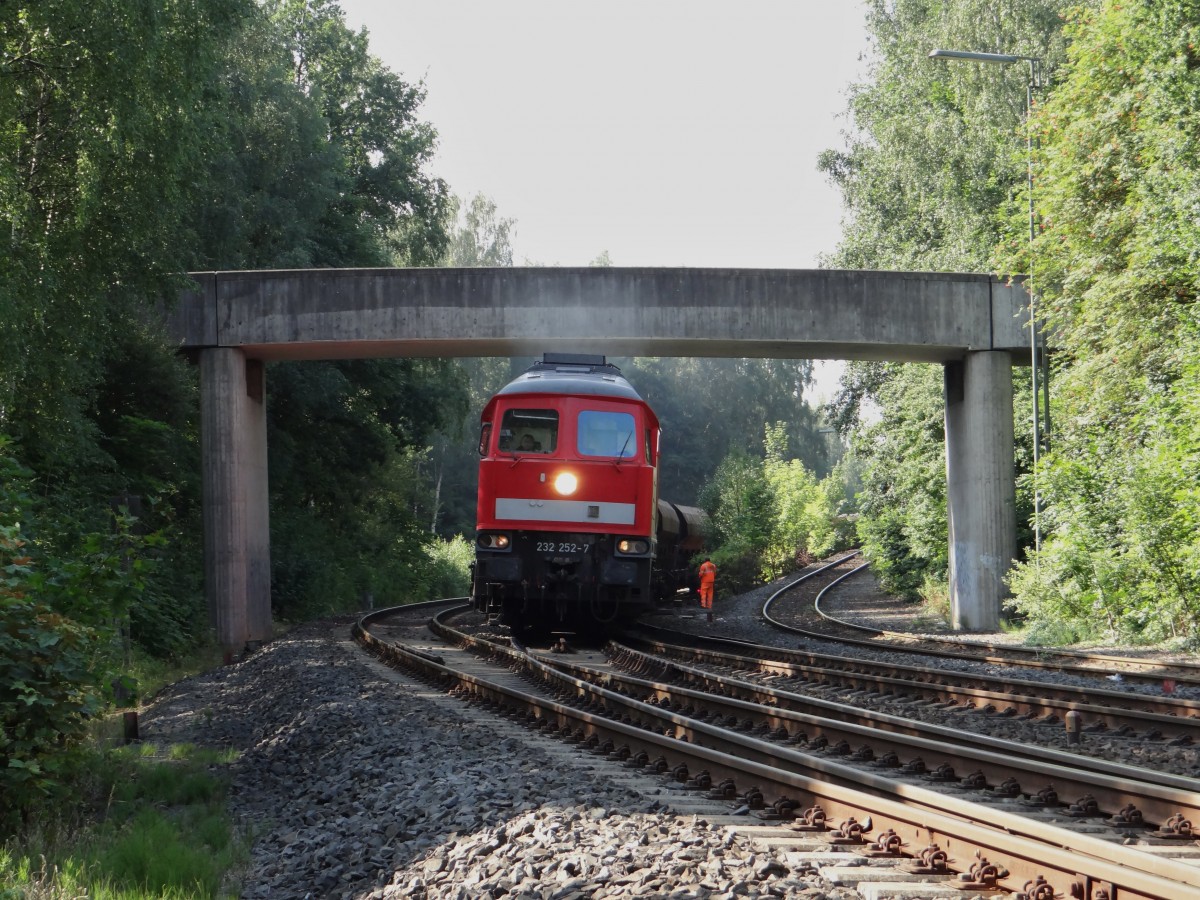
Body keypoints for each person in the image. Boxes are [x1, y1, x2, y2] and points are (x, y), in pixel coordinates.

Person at [698, 557, 717, 623]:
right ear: (709, 560)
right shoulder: (713, 565)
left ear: (705, 560)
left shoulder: (703, 565)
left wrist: (699, 576)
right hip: (711, 581)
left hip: (705, 581)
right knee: (710, 594)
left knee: (703, 593)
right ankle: (709, 605)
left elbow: (701, 574)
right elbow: (715, 573)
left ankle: (703, 605)